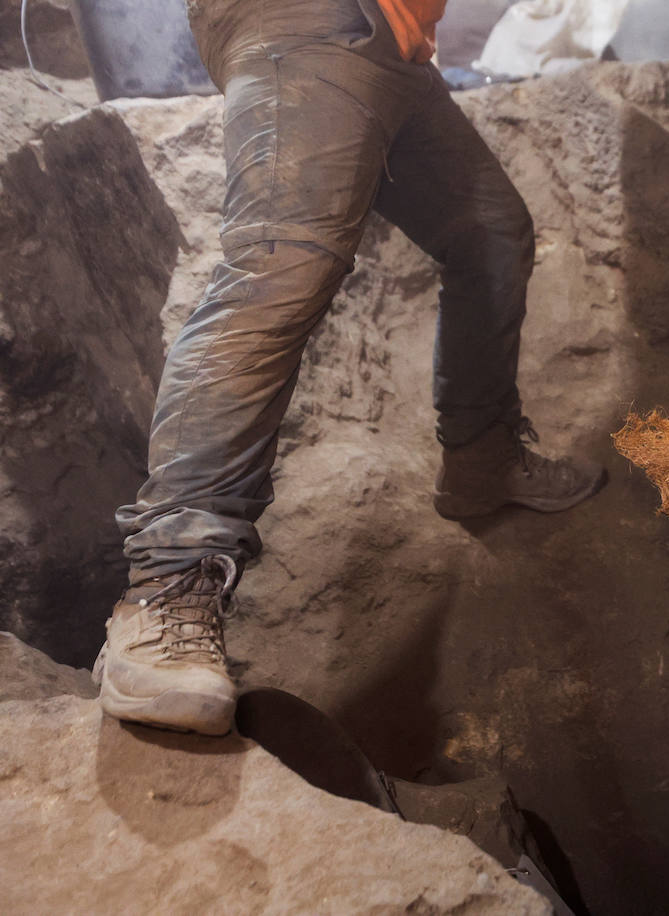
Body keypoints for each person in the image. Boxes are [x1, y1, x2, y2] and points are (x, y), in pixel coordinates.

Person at [94, 0, 606, 737]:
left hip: (390, 40)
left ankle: (481, 459)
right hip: (308, 19)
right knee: (280, 269)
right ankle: (165, 596)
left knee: (489, 234)